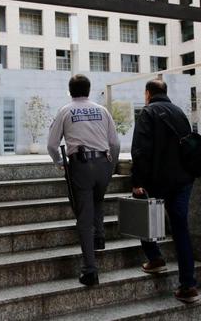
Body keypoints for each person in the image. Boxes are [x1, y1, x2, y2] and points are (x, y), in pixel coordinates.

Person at [131, 78, 200, 303]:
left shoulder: (147, 113)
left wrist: (137, 181)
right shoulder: (179, 112)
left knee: (142, 212)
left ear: (148, 93)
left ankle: (155, 258)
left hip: (158, 180)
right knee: (181, 229)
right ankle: (188, 286)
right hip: (183, 180)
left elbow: (139, 150)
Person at [47, 74, 120, 286]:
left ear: (70, 91)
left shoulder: (65, 111)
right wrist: (111, 166)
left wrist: (60, 162)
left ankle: (90, 270)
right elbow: (115, 144)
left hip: (81, 165)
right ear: (88, 90)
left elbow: (52, 145)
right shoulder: (102, 110)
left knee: (84, 218)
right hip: (104, 163)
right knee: (98, 200)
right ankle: (99, 238)